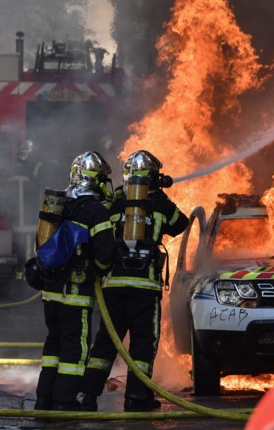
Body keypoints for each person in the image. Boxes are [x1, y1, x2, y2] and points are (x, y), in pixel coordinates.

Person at [79, 150, 189, 412]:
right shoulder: (160, 205)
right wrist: (158, 193)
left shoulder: (114, 203)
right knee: (142, 343)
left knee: (106, 343)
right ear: (152, 177)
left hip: (113, 287)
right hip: (144, 289)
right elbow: (180, 223)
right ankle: (136, 398)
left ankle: (88, 396)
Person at [31, 151, 116, 412]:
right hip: (76, 293)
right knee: (74, 350)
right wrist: (99, 271)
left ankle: (44, 399)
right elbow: (105, 255)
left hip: (51, 292)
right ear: (97, 181)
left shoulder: (60, 206)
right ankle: (65, 402)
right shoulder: (96, 212)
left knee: (53, 345)